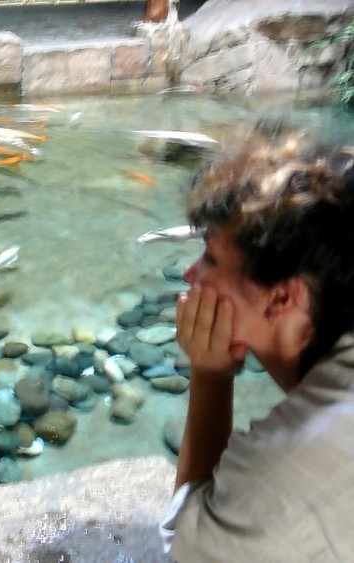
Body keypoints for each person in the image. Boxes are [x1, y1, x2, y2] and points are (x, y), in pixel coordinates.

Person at [160, 125, 354, 560]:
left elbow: (188, 550)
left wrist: (209, 374)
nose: (190, 274)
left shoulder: (279, 480)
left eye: (210, 258)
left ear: (282, 297)